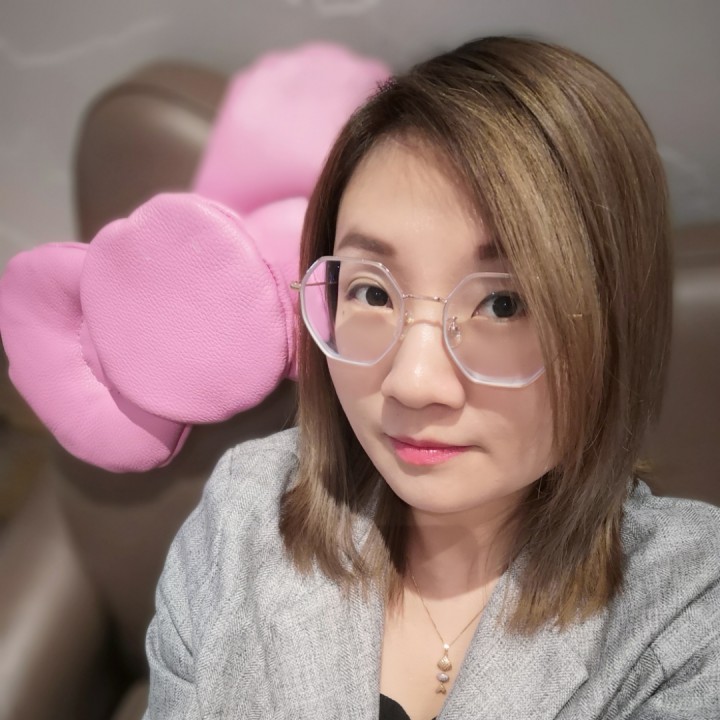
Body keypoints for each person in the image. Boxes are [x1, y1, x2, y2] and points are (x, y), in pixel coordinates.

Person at [143, 36, 720, 719]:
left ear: (613, 323)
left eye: (504, 304)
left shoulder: (687, 615)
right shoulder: (243, 520)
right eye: (372, 292)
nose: (413, 384)